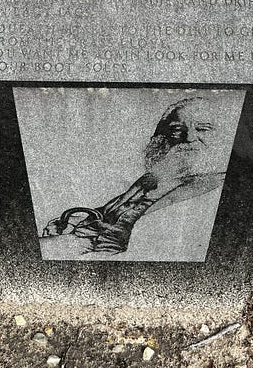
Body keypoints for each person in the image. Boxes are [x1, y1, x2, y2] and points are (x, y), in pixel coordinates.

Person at [42, 96, 223, 255]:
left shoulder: (214, 190)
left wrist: (73, 243)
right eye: (176, 130)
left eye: (203, 129)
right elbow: (110, 214)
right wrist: (80, 221)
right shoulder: (156, 176)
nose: (189, 138)